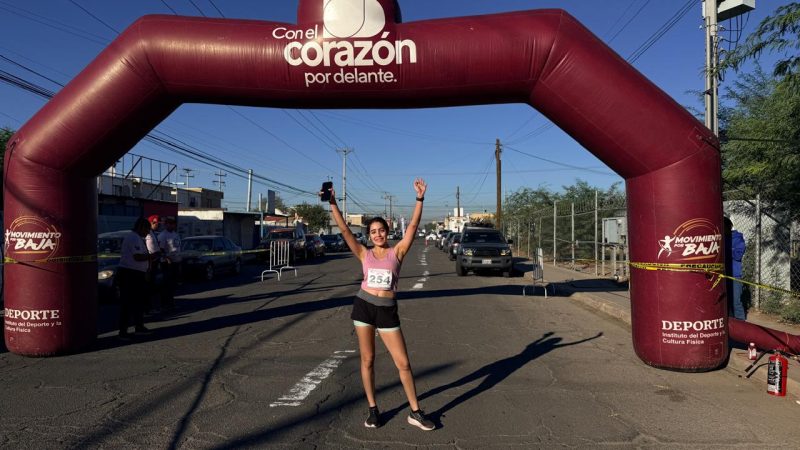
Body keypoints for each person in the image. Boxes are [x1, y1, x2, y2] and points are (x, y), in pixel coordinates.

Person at [324, 178, 436, 431]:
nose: (377, 234)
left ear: (387, 231)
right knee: (368, 360)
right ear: (369, 235)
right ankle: (373, 409)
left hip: (387, 311)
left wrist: (419, 199)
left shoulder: (398, 252)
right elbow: (344, 230)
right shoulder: (364, 253)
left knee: (403, 363)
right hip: (363, 306)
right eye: (373, 231)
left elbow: (413, 226)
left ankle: (415, 412)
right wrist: (332, 203)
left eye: (381, 230)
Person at [117, 217, 156, 339]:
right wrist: (152, 256)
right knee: (128, 303)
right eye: (147, 230)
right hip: (129, 274)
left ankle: (139, 326)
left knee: (138, 302)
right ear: (141, 227)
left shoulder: (138, 238)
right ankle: (123, 331)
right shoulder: (133, 237)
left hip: (137, 274)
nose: (147, 233)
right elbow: (138, 257)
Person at [724, 216, 747, 320]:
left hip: (734, 275)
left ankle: (742, 328)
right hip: (721, 275)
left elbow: (737, 255)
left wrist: (726, 249)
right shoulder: (719, 238)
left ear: (729, 227)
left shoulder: (738, 239)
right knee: (725, 302)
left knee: (736, 302)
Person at [158, 216, 181, 311]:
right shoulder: (163, 235)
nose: (171, 225)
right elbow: (161, 249)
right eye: (169, 223)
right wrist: (167, 258)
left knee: (173, 284)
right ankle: (164, 304)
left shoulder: (175, 234)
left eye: (173, 223)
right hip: (167, 263)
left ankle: (171, 302)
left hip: (176, 261)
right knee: (167, 284)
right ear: (166, 224)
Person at [144, 214, 164, 312]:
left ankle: (152, 306)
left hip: (155, 262)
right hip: (149, 263)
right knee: (148, 286)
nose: (159, 226)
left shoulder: (153, 233)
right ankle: (147, 307)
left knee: (153, 286)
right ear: (152, 223)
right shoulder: (147, 234)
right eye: (157, 224)